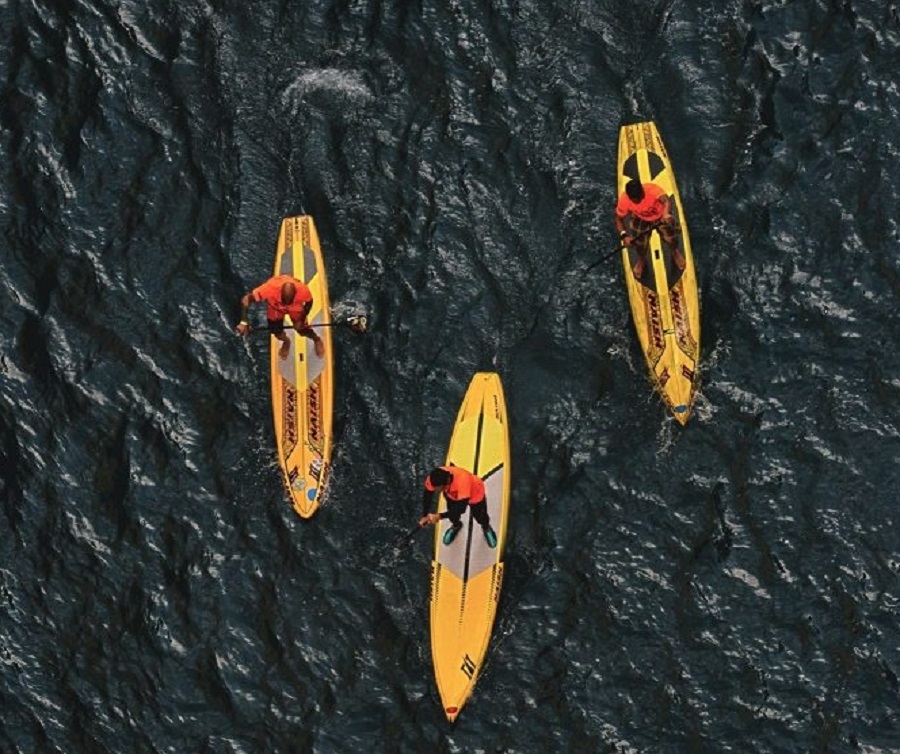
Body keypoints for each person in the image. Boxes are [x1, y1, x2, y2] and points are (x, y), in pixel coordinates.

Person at [235, 274, 325, 360]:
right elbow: (246, 299)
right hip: (276, 308)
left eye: (289, 301)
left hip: (295, 308)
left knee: (302, 329)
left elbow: (309, 303)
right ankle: (286, 342)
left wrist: (300, 321)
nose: (286, 304)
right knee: (276, 331)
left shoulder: (303, 290)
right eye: (284, 301)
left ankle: (316, 339)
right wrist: (243, 322)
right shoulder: (269, 288)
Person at [615, 178, 685, 278]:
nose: (636, 201)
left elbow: (666, 201)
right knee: (640, 244)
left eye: (639, 197)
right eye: (633, 199)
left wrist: (666, 214)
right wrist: (624, 235)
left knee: (671, 239)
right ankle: (642, 259)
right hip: (640, 217)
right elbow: (618, 219)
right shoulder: (624, 200)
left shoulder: (652, 190)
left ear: (642, 191)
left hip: (660, 217)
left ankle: (675, 252)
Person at [418, 466, 497, 548]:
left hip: (475, 493)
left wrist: (439, 516)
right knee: (453, 516)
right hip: (452, 494)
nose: (437, 491)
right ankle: (456, 525)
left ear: (448, 481)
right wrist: (425, 516)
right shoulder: (433, 479)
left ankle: (486, 527)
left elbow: (461, 509)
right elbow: (428, 495)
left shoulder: (463, 481)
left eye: (440, 489)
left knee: (480, 516)